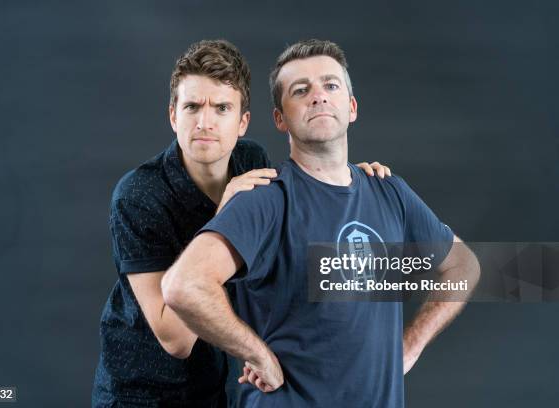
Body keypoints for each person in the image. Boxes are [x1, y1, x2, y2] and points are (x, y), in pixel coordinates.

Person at [162, 39, 481, 407]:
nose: (318, 96)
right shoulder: (265, 198)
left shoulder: (390, 193)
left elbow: (464, 264)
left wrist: (409, 348)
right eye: (300, 90)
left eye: (330, 85)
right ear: (280, 118)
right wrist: (257, 354)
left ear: (351, 107)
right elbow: (185, 285)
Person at [92, 39, 391, 407]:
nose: (205, 122)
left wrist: (348, 180)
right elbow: (176, 340)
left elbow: (300, 214)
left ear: (242, 122)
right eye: (191, 107)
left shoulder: (251, 161)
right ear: (173, 115)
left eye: (221, 108)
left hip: (218, 385)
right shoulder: (138, 194)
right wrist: (224, 216)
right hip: (139, 392)